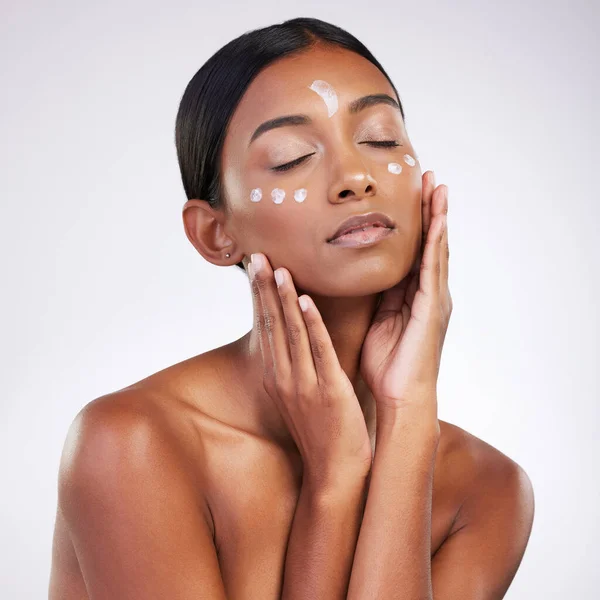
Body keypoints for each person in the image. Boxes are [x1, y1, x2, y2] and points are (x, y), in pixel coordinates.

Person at [48, 17, 535, 599]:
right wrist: (333, 482)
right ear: (213, 233)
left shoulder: (488, 490)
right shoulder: (133, 445)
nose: (355, 177)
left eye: (381, 139)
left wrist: (407, 421)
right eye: (290, 158)